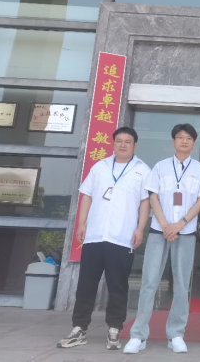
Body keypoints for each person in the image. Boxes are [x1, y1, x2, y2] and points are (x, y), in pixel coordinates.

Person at [57, 126, 151, 351]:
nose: (123, 145)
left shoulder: (142, 170)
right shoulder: (100, 167)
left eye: (128, 141)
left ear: (135, 145)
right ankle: (79, 329)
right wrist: (82, 223)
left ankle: (114, 330)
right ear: (113, 143)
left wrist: (140, 229)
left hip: (122, 238)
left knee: (118, 286)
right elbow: (87, 195)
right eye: (119, 140)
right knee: (86, 284)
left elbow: (145, 203)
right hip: (95, 236)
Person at [124, 124, 200, 355]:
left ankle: (176, 334)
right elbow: (153, 197)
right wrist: (165, 225)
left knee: (182, 284)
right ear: (173, 141)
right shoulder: (160, 167)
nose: (184, 141)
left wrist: (180, 224)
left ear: (194, 143)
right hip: (158, 231)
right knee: (149, 282)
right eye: (180, 137)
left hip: (185, 232)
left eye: (189, 138)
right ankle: (138, 335)